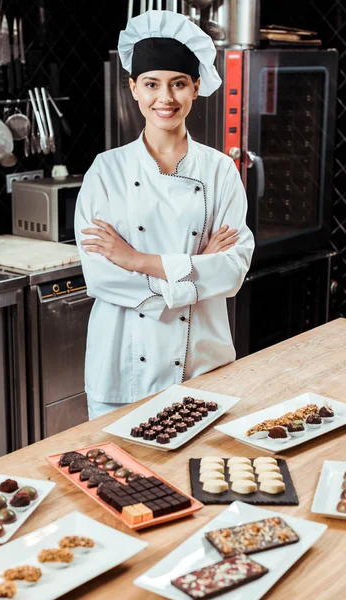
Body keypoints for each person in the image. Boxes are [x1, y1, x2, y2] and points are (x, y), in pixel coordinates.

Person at [75, 10, 255, 420]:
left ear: (195, 88)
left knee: (198, 474)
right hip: (122, 366)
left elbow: (233, 269)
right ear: (134, 88)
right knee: (119, 479)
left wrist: (139, 261)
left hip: (202, 363)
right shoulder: (107, 171)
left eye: (178, 84)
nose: (166, 98)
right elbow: (102, 275)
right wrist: (197, 268)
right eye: (152, 84)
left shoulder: (219, 170)